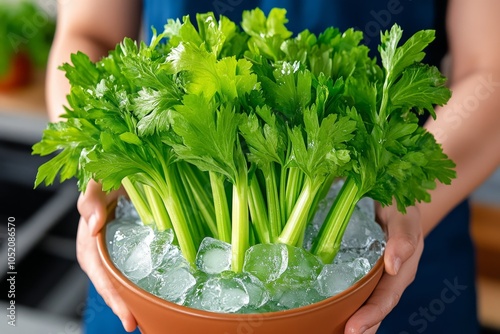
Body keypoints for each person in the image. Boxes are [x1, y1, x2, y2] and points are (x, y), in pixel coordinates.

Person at [46, 1, 500, 333]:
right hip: (153, 294)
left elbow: (490, 71)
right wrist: (107, 168)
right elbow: (89, 35)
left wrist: (401, 191)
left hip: (397, 258)